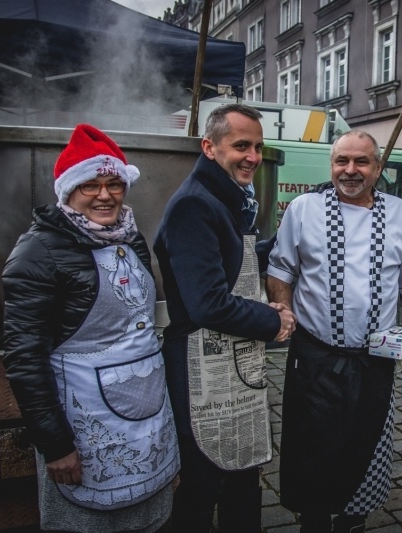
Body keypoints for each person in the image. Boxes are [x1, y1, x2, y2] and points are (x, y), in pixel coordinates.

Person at [2, 124, 180, 532]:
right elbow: (24, 358)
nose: (105, 195)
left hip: (149, 416)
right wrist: (55, 445)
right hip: (86, 425)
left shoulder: (130, 237)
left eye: (114, 184)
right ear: (68, 191)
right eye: (90, 185)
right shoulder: (36, 253)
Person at [266, 130, 402, 533]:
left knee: (367, 441)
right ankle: (313, 521)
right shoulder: (304, 209)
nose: (350, 170)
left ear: (378, 168)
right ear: (331, 165)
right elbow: (281, 271)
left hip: (375, 358)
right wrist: (284, 313)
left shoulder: (400, 214)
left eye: (361, 161)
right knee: (312, 445)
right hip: (314, 355)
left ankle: (353, 521)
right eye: (341, 160)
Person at [153, 104, 296, 533]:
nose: (253, 157)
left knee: (242, 473)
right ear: (209, 147)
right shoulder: (193, 206)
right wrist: (273, 321)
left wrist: (289, 241)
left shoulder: (225, 198)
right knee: (200, 488)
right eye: (241, 146)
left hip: (233, 366)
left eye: (258, 147)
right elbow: (208, 304)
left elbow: (234, 262)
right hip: (200, 369)